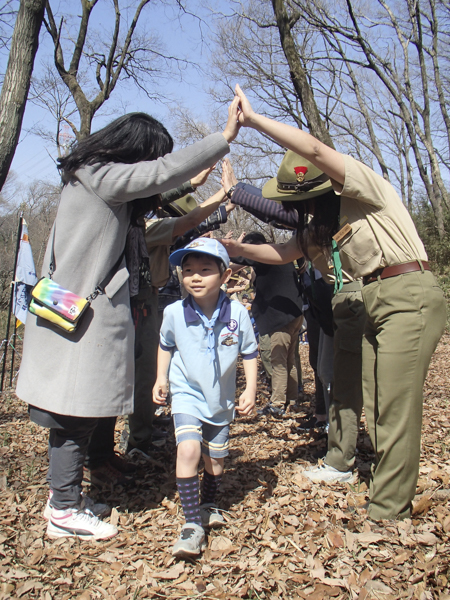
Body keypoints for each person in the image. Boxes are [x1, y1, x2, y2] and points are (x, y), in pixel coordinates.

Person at [16, 102, 241, 540]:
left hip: (75, 312)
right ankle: (62, 509)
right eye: (151, 156)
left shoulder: (90, 177)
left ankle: (68, 499)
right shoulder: (101, 175)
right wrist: (223, 138)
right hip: (81, 318)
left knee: (79, 412)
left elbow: (157, 189)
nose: (153, 165)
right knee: (72, 415)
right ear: (137, 152)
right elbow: (158, 176)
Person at [221, 85, 446, 521]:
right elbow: (282, 253)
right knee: (358, 390)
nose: (298, 206)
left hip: (408, 292)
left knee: (392, 403)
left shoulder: (365, 189)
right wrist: (238, 249)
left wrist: (255, 121)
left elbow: (314, 149)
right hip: (366, 299)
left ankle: (387, 509)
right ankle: (349, 467)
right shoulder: (320, 229)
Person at [153, 237, 258, 558]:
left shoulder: (237, 313)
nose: (195, 277)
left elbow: (250, 353)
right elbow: (166, 345)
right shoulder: (173, 312)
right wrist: (161, 378)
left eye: (204, 270)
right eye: (187, 270)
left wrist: (250, 388)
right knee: (187, 450)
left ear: (225, 276)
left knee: (215, 458)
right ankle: (191, 523)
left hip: (221, 399)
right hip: (186, 392)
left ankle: (209, 502)